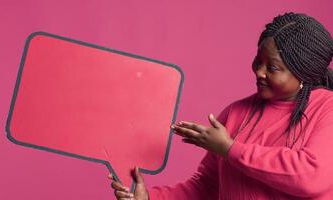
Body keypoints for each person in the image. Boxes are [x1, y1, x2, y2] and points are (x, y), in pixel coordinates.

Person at [109, 12, 333, 199]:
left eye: (272, 68)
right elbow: (207, 187)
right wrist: (150, 198)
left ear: (303, 73)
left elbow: (311, 176)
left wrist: (229, 149)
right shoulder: (237, 113)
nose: (259, 71)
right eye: (258, 60)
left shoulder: (327, 109)